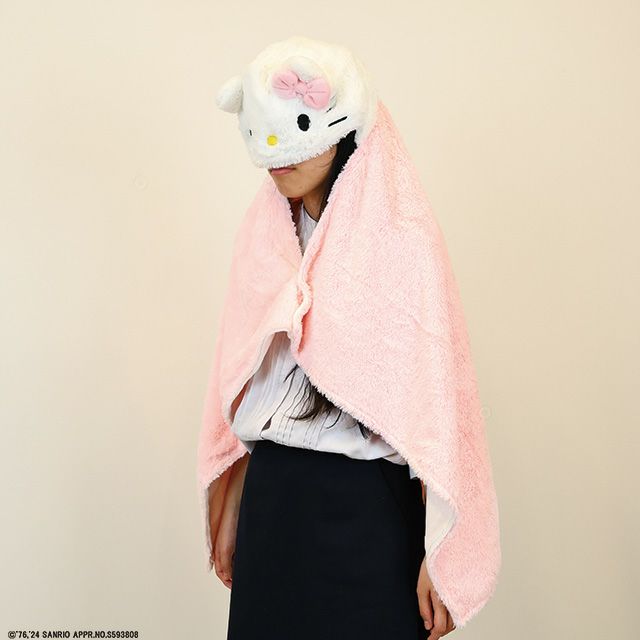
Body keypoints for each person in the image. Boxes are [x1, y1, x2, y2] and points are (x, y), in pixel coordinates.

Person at [199, 35, 499, 640]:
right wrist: (235, 497)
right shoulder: (265, 239)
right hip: (273, 503)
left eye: (294, 131)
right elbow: (251, 383)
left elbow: (434, 404)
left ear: (344, 129)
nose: (276, 157)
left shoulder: (402, 239)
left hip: (365, 511)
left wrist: (439, 549)